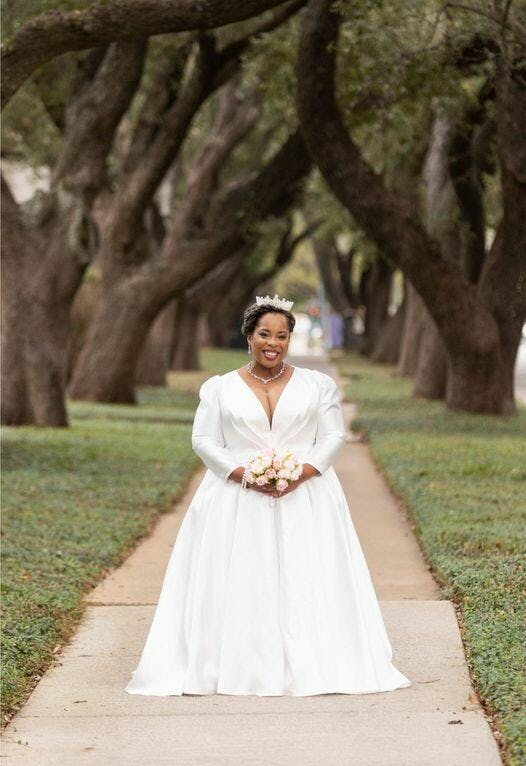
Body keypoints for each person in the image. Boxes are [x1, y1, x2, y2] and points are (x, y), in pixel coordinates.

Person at [125, 295, 410, 697]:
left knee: (307, 576)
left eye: (281, 336)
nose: (272, 343)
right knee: (244, 579)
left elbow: (333, 436)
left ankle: (314, 662)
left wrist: (301, 473)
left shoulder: (317, 385)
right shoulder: (219, 388)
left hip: (307, 495)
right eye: (264, 334)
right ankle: (239, 665)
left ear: (290, 339)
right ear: (249, 336)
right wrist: (242, 474)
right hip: (235, 496)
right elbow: (203, 440)